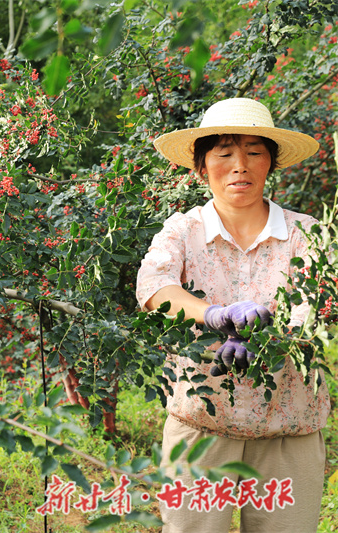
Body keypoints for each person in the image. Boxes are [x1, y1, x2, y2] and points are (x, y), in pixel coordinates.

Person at [137, 97, 330, 532]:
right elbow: (153, 286)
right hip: (201, 427)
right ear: (201, 167)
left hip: (288, 428)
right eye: (223, 153)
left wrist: (275, 338)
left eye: (253, 152)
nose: (239, 165)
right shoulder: (183, 231)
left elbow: (316, 306)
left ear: (271, 163)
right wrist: (213, 316)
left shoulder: (307, 234)